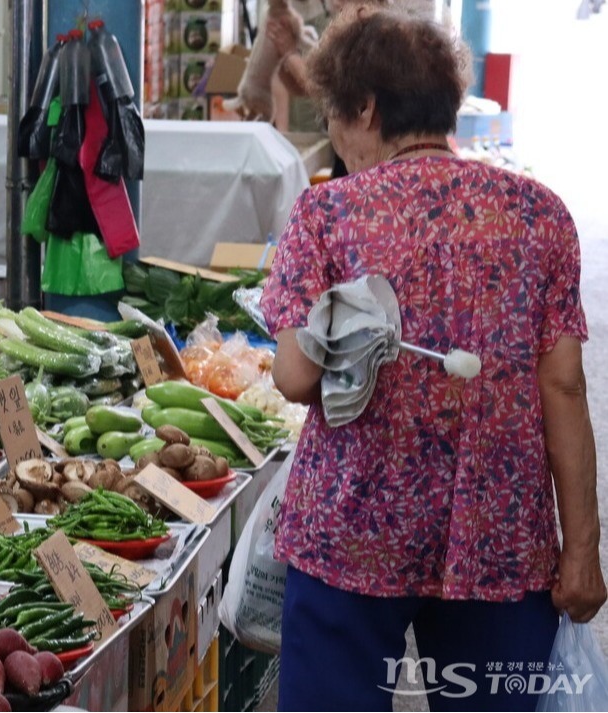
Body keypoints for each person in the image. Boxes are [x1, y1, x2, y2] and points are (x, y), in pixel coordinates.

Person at [259, 7, 606, 712]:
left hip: (350, 536)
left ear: (367, 107)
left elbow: (296, 378)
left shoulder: (326, 215)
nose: (332, 133)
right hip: (502, 542)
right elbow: (564, 386)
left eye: (333, 114)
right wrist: (583, 550)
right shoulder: (541, 215)